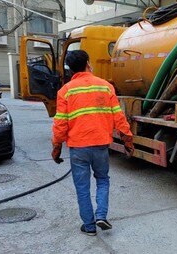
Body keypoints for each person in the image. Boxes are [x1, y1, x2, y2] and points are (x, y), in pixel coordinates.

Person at [51, 50, 134, 236]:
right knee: (102, 180)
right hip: (101, 145)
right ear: (88, 63)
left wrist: (56, 147)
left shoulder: (65, 91)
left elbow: (60, 123)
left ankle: (89, 227)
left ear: (70, 70)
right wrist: (128, 140)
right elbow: (119, 117)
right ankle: (101, 216)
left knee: (82, 187)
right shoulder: (105, 87)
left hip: (78, 148)